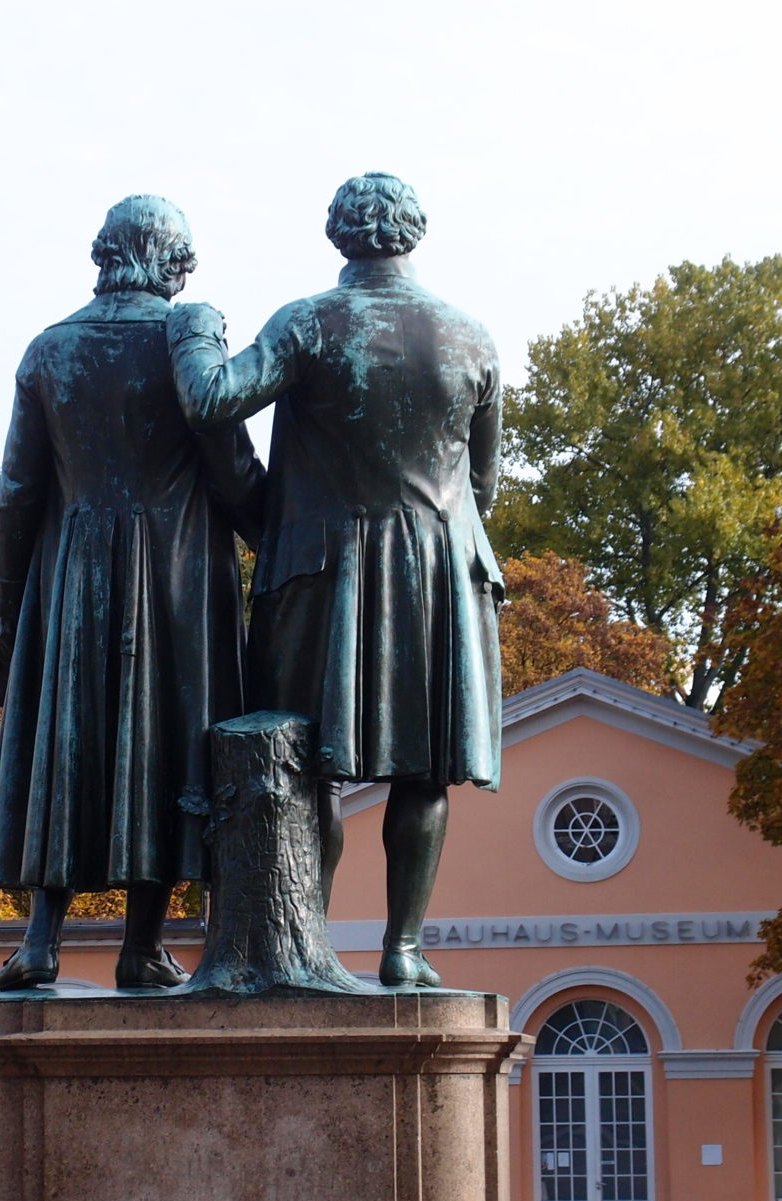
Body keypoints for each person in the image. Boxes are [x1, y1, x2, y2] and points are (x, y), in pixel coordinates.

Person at [169, 172, 502, 987]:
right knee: (423, 772)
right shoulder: (471, 338)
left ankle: (306, 941)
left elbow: (213, 399)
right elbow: (484, 486)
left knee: (307, 765)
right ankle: (405, 948)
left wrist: (192, 331)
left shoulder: (308, 322)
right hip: (438, 577)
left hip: (320, 574)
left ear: (339, 234)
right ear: (413, 232)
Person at [0, 193, 261, 991]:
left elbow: (15, 496)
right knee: (169, 744)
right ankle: (142, 944)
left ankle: (41, 940)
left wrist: (10, 613)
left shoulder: (49, 349)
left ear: (103, 253)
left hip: (71, 575)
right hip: (179, 580)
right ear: (173, 262)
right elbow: (235, 474)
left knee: (68, 743)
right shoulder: (185, 344)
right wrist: (288, 542)